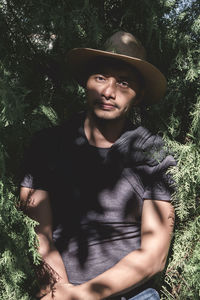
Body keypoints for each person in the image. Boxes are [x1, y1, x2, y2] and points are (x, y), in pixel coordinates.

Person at [20, 31, 176, 300]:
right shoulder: (47, 145)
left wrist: (81, 296)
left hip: (130, 295)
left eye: (124, 83)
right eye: (100, 77)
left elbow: (154, 256)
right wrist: (60, 292)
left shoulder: (155, 154)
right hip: (56, 290)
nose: (108, 91)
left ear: (138, 96)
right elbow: (36, 232)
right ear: (86, 82)